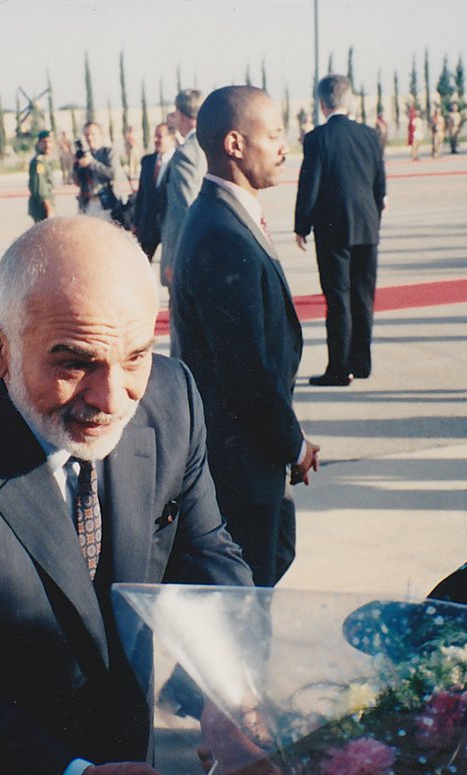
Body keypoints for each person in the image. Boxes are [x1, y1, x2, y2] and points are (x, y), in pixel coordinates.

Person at [0, 216, 255, 775]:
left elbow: (209, 555)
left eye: (136, 355)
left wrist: (234, 689)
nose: (112, 397)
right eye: (74, 364)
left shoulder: (172, 400)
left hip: (128, 768)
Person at [171, 85, 321, 587]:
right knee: (244, 605)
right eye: (274, 135)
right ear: (235, 144)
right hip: (238, 464)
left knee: (268, 568)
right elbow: (246, 370)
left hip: (252, 453)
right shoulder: (220, 232)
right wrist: (292, 444)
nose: (284, 147)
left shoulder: (226, 214)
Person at [294, 74, 387, 387]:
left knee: (338, 299)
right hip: (367, 226)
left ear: (322, 104)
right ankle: (361, 363)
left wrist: (301, 225)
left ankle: (339, 368)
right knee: (363, 296)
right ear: (349, 100)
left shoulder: (317, 138)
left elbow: (310, 184)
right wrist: (373, 218)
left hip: (333, 230)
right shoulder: (371, 136)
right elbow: (379, 185)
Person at [160, 89, 205, 288]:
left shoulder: (186, 153)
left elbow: (184, 209)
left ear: (180, 113)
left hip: (187, 255)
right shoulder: (209, 143)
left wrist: (175, 261)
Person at [132, 122, 176, 262]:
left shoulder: (179, 163)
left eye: (160, 136)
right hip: (148, 226)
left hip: (168, 226)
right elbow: (141, 195)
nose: (156, 140)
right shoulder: (147, 161)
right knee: (141, 264)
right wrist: (136, 222)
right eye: (155, 136)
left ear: (171, 138)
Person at [72, 121, 128, 223]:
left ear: (101, 135)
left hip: (107, 204)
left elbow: (112, 174)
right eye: (87, 135)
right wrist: (76, 166)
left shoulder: (108, 152)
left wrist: (92, 163)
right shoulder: (83, 155)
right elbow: (77, 182)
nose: (89, 138)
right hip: (88, 203)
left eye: (93, 134)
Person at [26, 130, 55, 223]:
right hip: (42, 208)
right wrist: (49, 208)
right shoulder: (39, 162)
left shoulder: (45, 161)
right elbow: (40, 188)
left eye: (50, 142)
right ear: (38, 144)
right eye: (44, 142)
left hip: (45, 207)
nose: (47, 145)